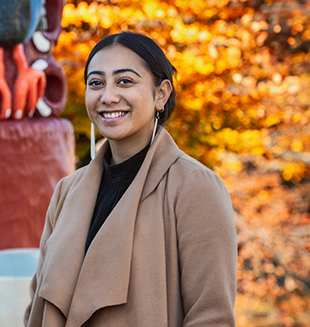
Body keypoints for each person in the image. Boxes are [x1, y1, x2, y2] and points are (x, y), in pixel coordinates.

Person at [24, 31, 237, 326]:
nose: (108, 97)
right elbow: (36, 305)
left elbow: (211, 317)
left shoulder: (194, 186)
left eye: (125, 81)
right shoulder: (67, 191)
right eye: (96, 83)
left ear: (161, 93)